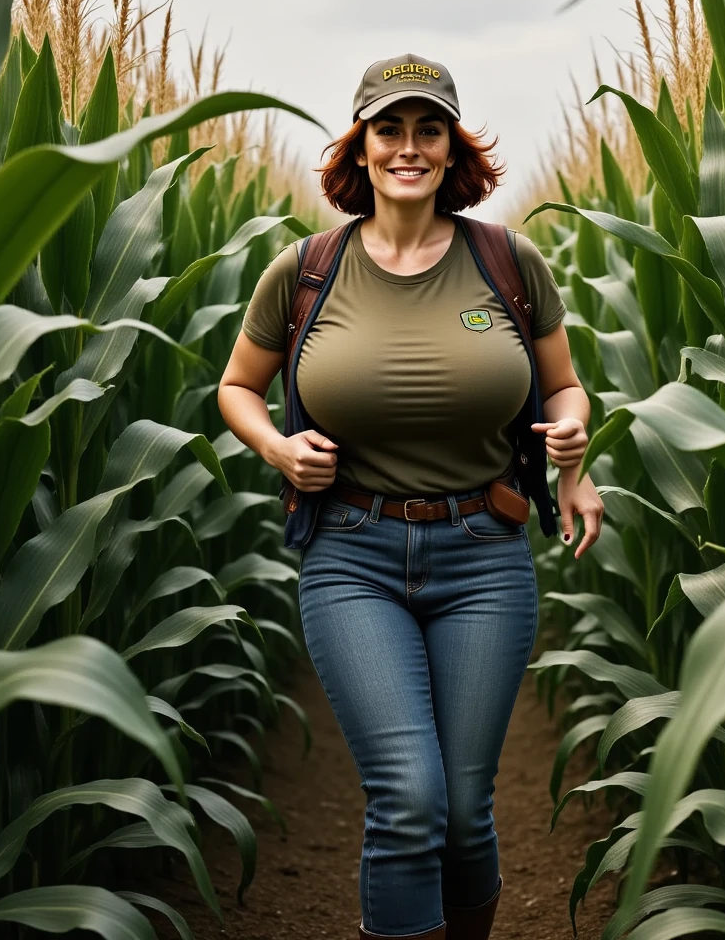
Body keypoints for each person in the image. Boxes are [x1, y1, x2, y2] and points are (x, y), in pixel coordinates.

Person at [218, 53, 604, 939]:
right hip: (351, 556)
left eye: (428, 129)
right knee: (409, 798)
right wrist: (279, 448)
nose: (408, 147)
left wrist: (574, 450)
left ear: (452, 148)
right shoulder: (307, 270)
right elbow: (236, 386)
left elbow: (564, 389)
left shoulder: (507, 261)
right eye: (388, 129)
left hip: (484, 557)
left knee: (465, 811)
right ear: (358, 148)